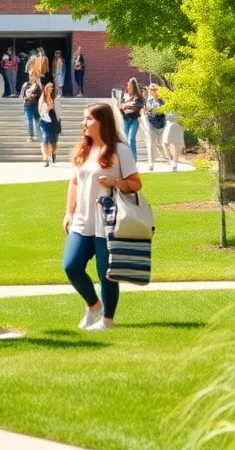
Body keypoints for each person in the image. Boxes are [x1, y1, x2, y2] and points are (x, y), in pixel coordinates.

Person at [62, 103, 142, 331]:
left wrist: (115, 182)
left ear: (102, 122)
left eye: (88, 119)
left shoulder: (120, 151)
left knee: (105, 271)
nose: (83, 123)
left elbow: (136, 184)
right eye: (84, 118)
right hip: (82, 220)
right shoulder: (83, 150)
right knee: (71, 266)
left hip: (107, 221)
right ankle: (94, 305)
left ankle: (108, 320)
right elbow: (75, 182)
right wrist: (69, 212)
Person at [143, 83, 169, 172]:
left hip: (161, 124)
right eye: (149, 89)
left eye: (152, 89)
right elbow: (146, 112)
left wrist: (157, 111)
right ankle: (151, 164)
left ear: (156, 91)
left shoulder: (162, 101)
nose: (150, 91)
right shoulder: (148, 101)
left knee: (160, 143)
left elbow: (165, 111)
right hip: (151, 123)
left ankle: (166, 156)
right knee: (151, 144)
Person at [118, 78, 145, 161]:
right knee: (126, 140)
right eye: (128, 85)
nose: (129, 87)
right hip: (125, 119)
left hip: (134, 120)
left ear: (134, 86)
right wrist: (124, 106)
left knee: (131, 139)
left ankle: (133, 159)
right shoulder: (125, 95)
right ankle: (128, 158)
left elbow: (139, 106)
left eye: (131, 85)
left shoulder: (138, 96)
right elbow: (120, 106)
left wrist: (127, 106)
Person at [38, 83, 61, 167]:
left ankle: (53, 154)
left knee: (53, 142)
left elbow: (58, 110)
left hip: (53, 121)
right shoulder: (42, 99)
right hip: (44, 121)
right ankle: (46, 159)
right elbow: (40, 111)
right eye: (49, 88)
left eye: (52, 88)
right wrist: (48, 108)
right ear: (46, 89)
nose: (50, 89)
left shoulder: (54, 98)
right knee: (45, 140)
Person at [21, 72, 44, 142]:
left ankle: (40, 136)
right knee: (29, 121)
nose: (31, 77)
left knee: (38, 121)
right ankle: (31, 136)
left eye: (33, 75)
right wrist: (24, 100)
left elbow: (42, 94)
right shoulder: (26, 84)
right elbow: (22, 94)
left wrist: (39, 83)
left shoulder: (38, 85)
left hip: (36, 106)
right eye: (30, 75)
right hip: (28, 106)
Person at [163, 105, 185, 172]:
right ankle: (173, 161)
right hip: (170, 124)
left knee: (175, 143)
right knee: (167, 143)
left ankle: (174, 162)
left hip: (176, 123)